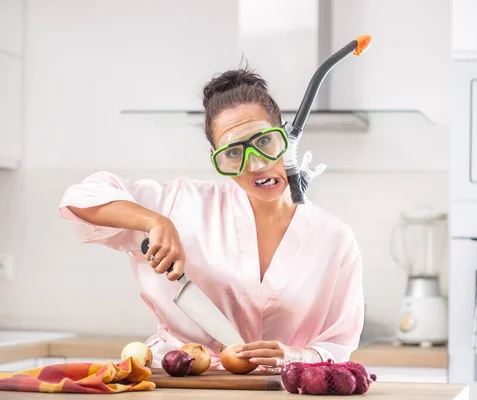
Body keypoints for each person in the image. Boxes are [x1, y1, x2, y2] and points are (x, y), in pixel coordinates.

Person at [58, 67, 365, 373]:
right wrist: (155, 222)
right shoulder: (180, 203)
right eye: (233, 154)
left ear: (286, 137)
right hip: (178, 387)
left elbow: (338, 346)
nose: (256, 165)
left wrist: (294, 356)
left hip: (280, 392)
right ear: (217, 158)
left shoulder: (335, 238)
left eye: (265, 142)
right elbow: (82, 196)